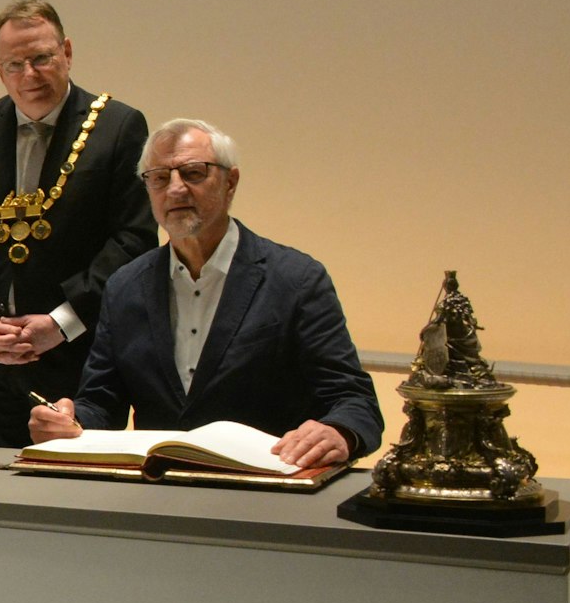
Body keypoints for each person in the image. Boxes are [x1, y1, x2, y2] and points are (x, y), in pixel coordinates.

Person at [29, 119, 384, 466]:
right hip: (156, 494)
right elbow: (101, 403)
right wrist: (69, 422)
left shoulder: (297, 279)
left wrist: (339, 431)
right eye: (160, 178)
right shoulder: (125, 286)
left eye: (194, 173)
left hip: (267, 495)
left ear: (231, 182)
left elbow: (354, 401)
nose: (176, 189)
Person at [0, 0, 155, 448]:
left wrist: (61, 322)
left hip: (81, 359)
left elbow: (134, 240)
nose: (29, 75)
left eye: (42, 58)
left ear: (67, 52)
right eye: (15, 64)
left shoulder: (119, 126)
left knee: (73, 500)